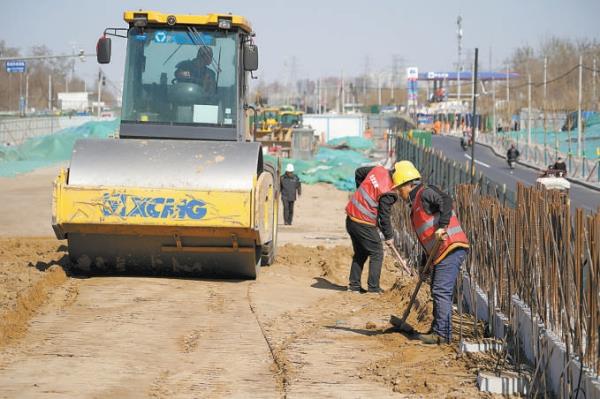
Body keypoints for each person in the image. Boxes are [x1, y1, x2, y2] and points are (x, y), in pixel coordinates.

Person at [393, 160, 470, 344]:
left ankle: (442, 336)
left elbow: (446, 200)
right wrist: (424, 263)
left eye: (399, 188)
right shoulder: (416, 204)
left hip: (451, 246)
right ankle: (439, 330)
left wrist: (442, 227)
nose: (398, 192)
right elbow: (427, 237)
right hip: (440, 252)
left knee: (440, 291)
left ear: (407, 184)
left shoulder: (424, 193)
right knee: (438, 289)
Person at [345, 164, 402, 294]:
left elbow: (359, 171)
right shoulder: (388, 192)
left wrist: (361, 190)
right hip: (363, 223)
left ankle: (354, 286)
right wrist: (389, 236)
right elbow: (384, 216)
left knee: (360, 252)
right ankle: (373, 288)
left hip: (351, 218)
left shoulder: (377, 170)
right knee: (377, 252)